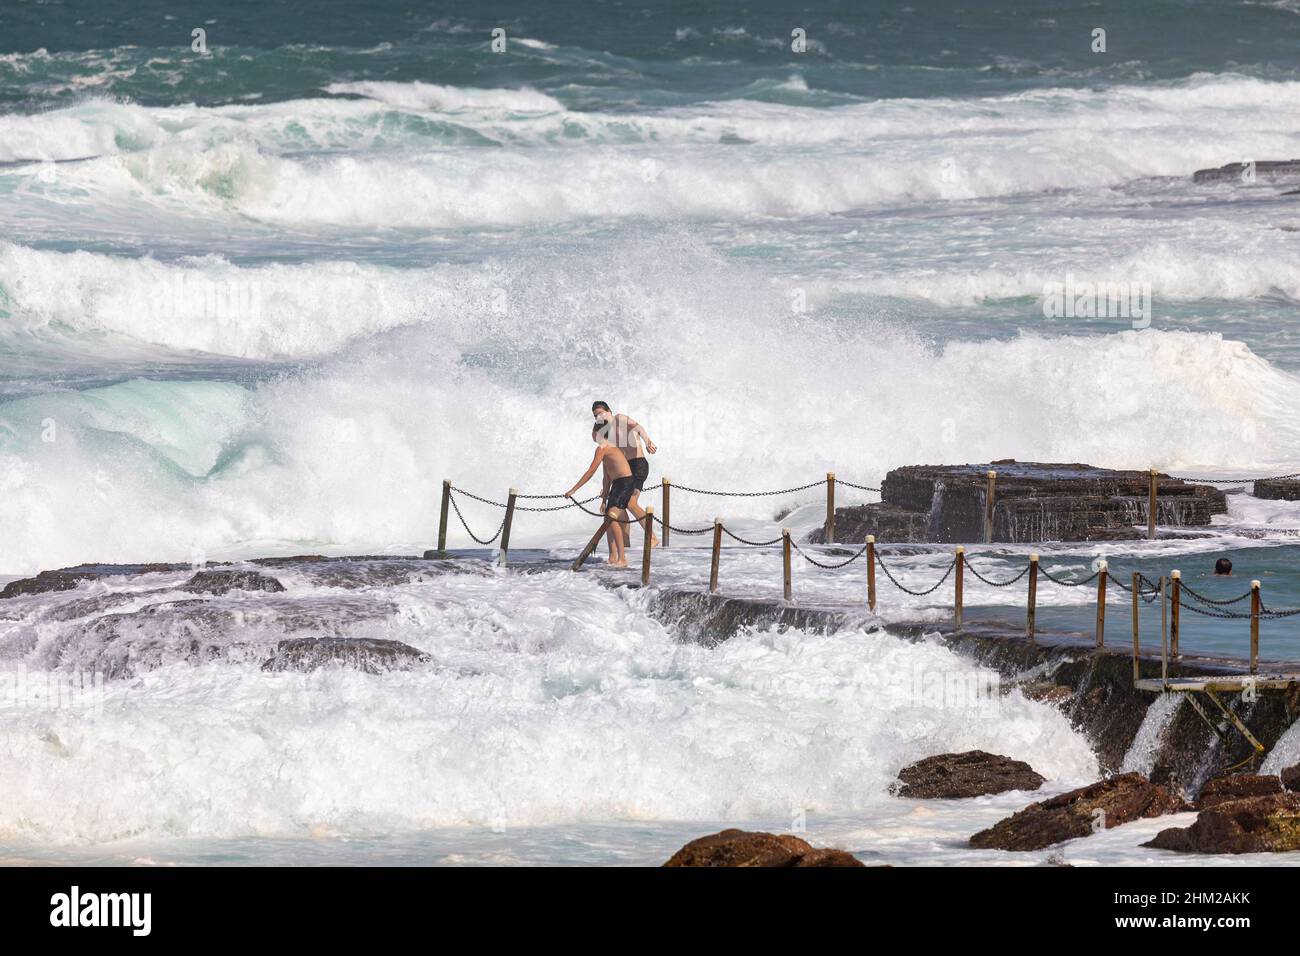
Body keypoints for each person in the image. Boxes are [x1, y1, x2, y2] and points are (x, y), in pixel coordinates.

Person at [564, 421, 636, 567]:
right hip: (617, 484)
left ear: (598, 434)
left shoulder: (602, 448)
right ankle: (612, 557)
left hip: (625, 483)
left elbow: (590, 472)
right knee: (607, 520)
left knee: (612, 519)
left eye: (593, 431)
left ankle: (622, 558)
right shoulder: (606, 449)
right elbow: (606, 477)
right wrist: (604, 500)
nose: (591, 434)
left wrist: (574, 489)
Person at [591, 400, 658, 549]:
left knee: (630, 503)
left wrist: (648, 442)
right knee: (618, 508)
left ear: (610, 411)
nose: (599, 417)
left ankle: (652, 536)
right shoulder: (606, 433)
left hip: (638, 464)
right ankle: (626, 544)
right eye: (596, 416)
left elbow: (638, 427)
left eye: (602, 413)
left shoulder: (620, 418)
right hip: (625, 471)